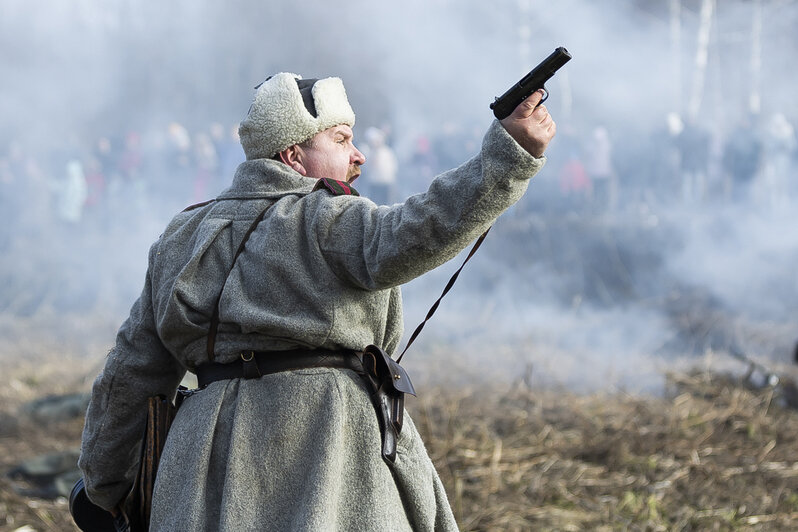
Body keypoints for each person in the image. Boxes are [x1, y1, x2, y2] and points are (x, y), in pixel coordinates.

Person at [78, 72, 555, 531]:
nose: (359, 156)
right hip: (330, 451)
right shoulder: (326, 218)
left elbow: (129, 376)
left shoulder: (180, 236)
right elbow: (422, 226)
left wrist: (106, 488)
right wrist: (508, 154)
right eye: (342, 139)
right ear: (294, 155)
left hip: (202, 471)